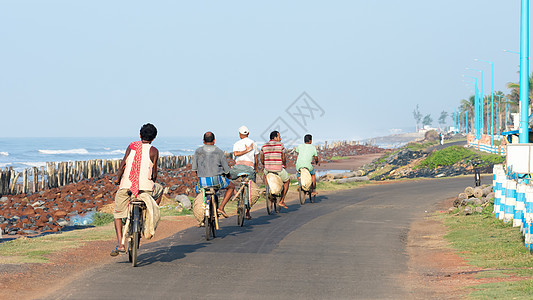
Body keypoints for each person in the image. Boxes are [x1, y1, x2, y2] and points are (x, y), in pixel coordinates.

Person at [111, 123, 163, 256]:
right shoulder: (154, 151)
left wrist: (118, 180)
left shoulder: (132, 146)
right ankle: (148, 215)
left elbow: (123, 166)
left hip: (126, 186)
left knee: (118, 214)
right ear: (154, 137)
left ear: (140, 135)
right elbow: (154, 174)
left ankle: (120, 244)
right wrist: (151, 180)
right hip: (145, 189)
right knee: (160, 189)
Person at [191, 131, 235, 219]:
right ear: (214, 141)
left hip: (203, 182)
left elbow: (194, 169)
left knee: (198, 190)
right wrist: (228, 176)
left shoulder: (198, 151)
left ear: (203, 141)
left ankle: (201, 212)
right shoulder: (219, 151)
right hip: (216, 180)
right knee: (231, 187)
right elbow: (226, 169)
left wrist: (200, 176)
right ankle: (221, 207)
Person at [223, 125, 259, 219]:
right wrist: (255, 168)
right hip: (250, 168)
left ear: (239, 134)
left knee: (228, 177)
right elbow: (256, 158)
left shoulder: (237, 143)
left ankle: (234, 191)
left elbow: (235, 154)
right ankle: (247, 212)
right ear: (248, 134)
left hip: (238, 167)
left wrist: (244, 151)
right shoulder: (253, 143)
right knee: (250, 188)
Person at [260, 130, 290, 209]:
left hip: (268, 169)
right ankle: (281, 201)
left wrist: (264, 164)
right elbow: (283, 158)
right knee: (287, 181)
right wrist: (284, 164)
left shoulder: (264, 146)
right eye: (279, 137)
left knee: (265, 175)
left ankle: (266, 189)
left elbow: (261, 158)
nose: (280, 139)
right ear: (275, 137)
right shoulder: (281, 145)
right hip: (278, 169)